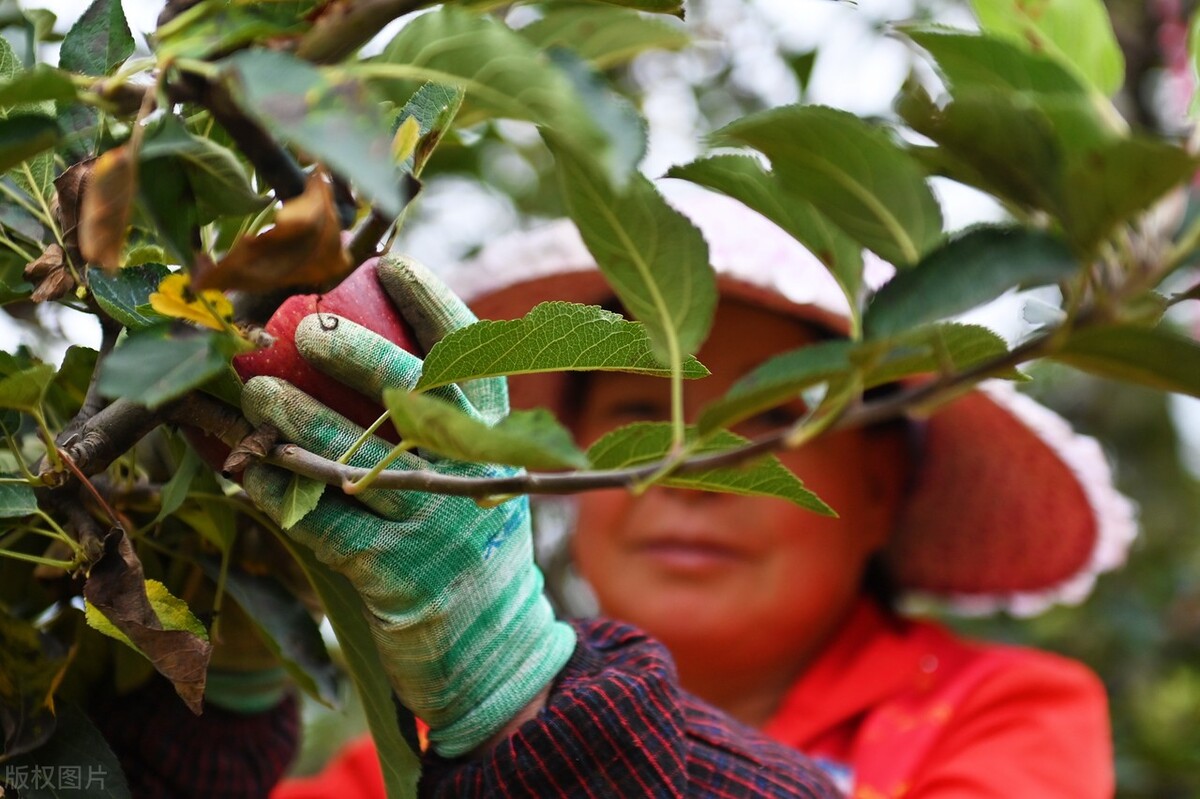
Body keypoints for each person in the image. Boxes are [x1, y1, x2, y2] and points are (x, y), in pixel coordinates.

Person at [92, 189, 1135, 798]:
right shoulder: (403, 758)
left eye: (769, 422)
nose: (686, 472)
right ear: (566, 463)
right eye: (641, 416)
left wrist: (529, 698)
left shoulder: (1008, 716)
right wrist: (213, 679)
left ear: (878, 487)